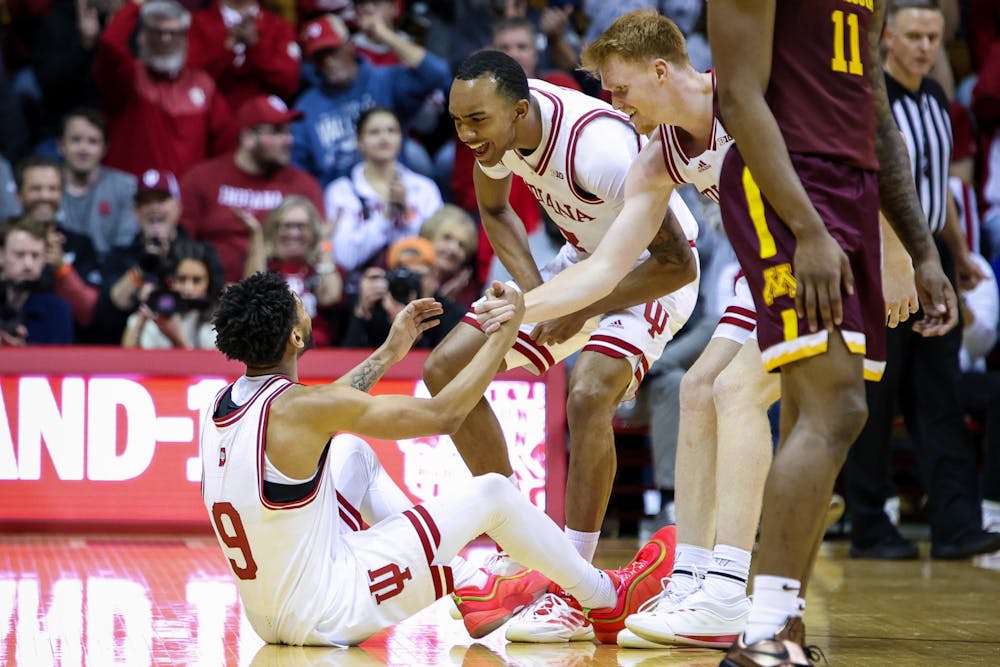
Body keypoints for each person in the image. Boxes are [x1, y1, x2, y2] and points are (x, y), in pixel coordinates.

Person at [200, 270, 677, 645]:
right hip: (329, 613)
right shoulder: (303, 408)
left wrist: (390, 351)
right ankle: (605, 597)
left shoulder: (223, 404)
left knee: (349, 451)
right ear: (296, 339)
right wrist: (502, 337)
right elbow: (446, 414)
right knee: (494, 492)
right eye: (300, 309)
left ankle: (472, 586)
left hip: (271, 615)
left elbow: (324, 412)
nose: (305, 310)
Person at [704, 1, 957, 663]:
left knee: (810, 416)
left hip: (853, 188)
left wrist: (922, 249)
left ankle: (780, 630)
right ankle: (764, 634)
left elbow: (877, 118)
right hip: (787, 181)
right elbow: (737, 95)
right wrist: (809, 226)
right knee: (838, 407)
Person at [424, 50, 699, 644]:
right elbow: (495, 212)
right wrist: (536, 295)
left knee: (588, 394)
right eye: (457, 121)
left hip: (650, 275)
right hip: (583, 266)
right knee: (447, 368)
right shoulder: (497, 137)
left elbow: (678, 265)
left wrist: (577, 306)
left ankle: (574, 590)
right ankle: (521, 543)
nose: (466, 134)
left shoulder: (598, 149)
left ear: (519, 110)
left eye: (477, 121)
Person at [841, 0, 1000, 563]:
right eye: (913, 36)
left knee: (941, 396)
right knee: (876, 401)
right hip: (882, 269)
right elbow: (871, 187)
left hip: (930, 263)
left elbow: (938, 190)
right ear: (886, 37)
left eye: (933, 37)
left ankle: (955, 524)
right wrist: (903, 259)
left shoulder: (936, 98)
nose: (925, 47)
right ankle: (868, 525)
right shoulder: (868, 100)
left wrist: (955, 253)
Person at [292, 13, 451, 186]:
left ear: (350, 46)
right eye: (319, 57)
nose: (329, 62)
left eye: (333, 51)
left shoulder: (384, 80)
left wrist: (385, 35)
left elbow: (438, 74)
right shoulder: (306, 106)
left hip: (392, 188)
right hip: (337, 201)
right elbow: (298, 168)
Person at [180, 94, 324, 283]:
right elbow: (182, 244)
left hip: (281, 295)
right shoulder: (202, 178)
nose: (288, 140)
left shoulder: (304, 185)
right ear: (248, 137)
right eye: (276, 132)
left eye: (288, 132)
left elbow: (318, 247)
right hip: (212, 293)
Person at [94, 0, 236, 178]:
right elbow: (110, 43)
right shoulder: (129, 78)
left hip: (184, 200)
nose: (165, 39)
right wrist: (135, 5)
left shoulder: (202, 85)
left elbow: (226, 146)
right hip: (132, 197)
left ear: (185, 39)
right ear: (142, 36)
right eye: (157, 32)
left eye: (174, 33)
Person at [324, 105, 443, 296]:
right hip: (360, 293)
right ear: (358, 141)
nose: (384, 137)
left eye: (391, 131)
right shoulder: (341, 191)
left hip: (416, 293)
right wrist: (386, 216)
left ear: (401, 138)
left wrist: (407, 215)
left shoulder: (424, 188)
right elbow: (346, 258)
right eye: (374, 132)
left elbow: (434, 253)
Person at [241, 194, 344, 347]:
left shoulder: (321, 266)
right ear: (274, 230)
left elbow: (330, 297)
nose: (294, 233)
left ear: (313, 231)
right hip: (272, 352)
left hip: (318, 351)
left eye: (301, 227)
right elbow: (251, 294)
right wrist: (256, 236)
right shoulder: (265, 266)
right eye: (287, 226)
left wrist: (326, 242)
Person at [56, 108, 139, 275]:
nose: (84, 149)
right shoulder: (47, 186)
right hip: (57, 273)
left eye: (93, 141)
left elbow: (124, 247)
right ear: (60, 146)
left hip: (110, 276)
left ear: (104, 148)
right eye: (76, 140)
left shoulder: (125, 186)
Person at [341, 236, 464, 349]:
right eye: (401, 275)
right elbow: (348, 364)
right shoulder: (376, 307)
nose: (408, 284)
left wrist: (414, 334)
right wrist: (362, 313)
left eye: (416, 276)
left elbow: (443, 368)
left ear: (433, 278)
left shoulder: (451, 315)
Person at [121, 237, 222, 349]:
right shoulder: (152, 319)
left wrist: (178, 340)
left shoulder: (218, 323)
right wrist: (139, 327)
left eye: (197, 280)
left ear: (210, 282)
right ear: (169, 280)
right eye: (181, 279)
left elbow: (215, 365)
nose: (188, 289)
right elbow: (127, 361)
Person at [0, 216, 74, 346]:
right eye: (19, 254)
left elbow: (62, 364)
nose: (28, 264)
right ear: (1, 255)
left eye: (35, 256)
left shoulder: (57, 311)